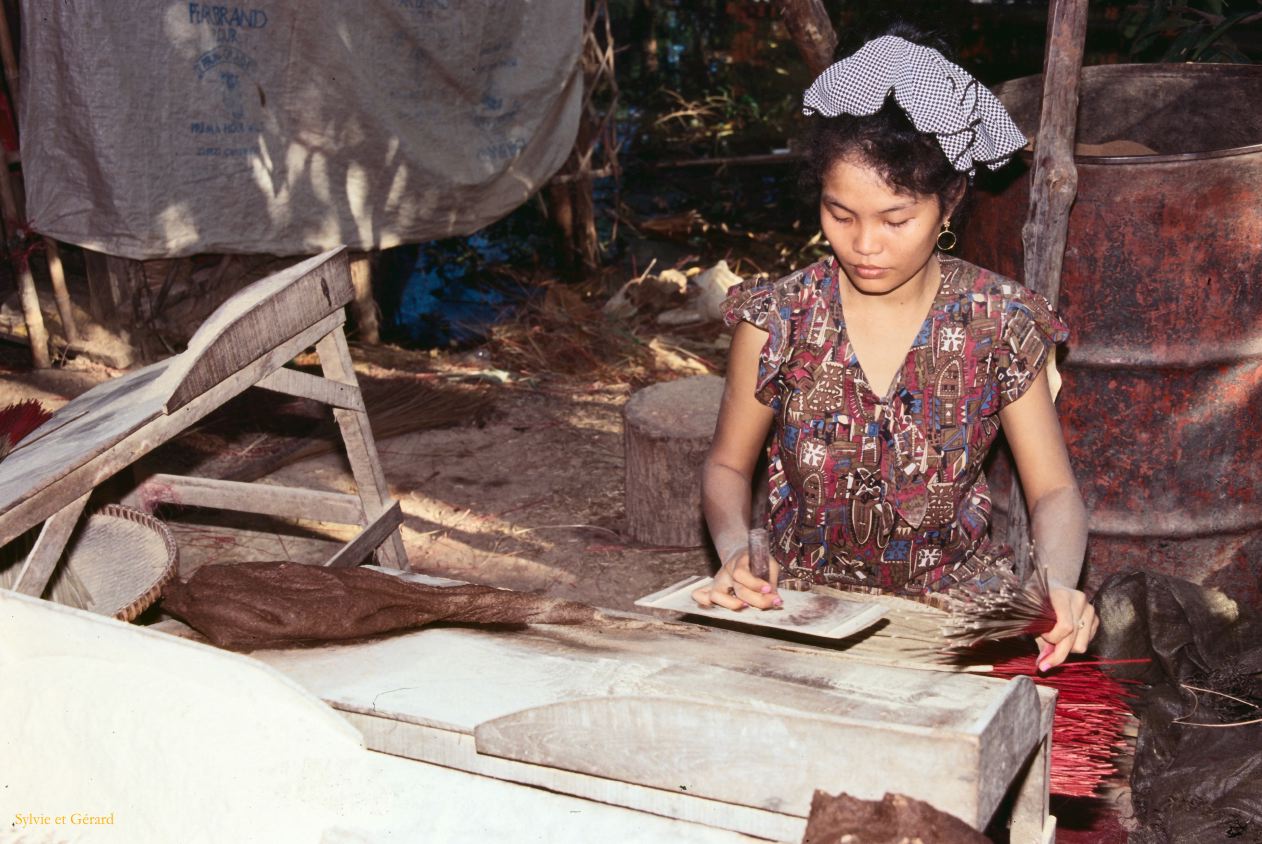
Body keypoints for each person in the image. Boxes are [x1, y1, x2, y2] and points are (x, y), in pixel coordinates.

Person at [693, 26, 1098, 671]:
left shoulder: (999, 323)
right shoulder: (779, 320)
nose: (864, 245)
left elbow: (1052, 492)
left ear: (950, 204)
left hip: (956, 621)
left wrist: (1054, 584)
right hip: (799, 610)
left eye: (896, 219)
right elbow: (726, 468)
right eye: (840, 213)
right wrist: (737, 548)